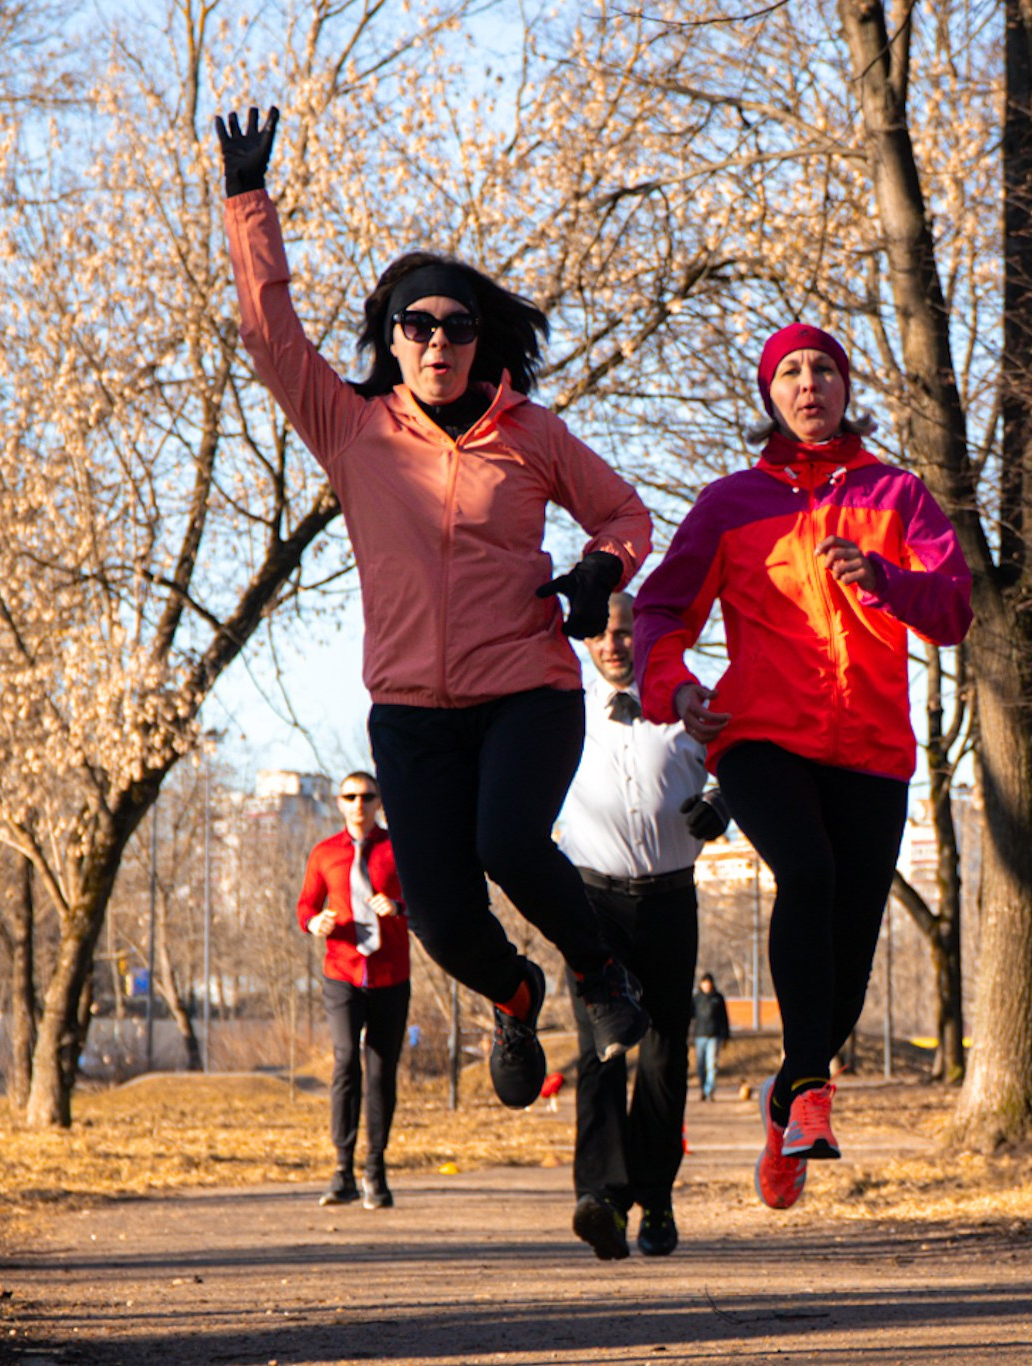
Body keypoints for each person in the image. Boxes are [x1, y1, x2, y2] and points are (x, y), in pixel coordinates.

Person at [215, 107, 654, 1140]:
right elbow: (267, 333)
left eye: (458, 326)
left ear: (481, 338)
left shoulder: (533, 436)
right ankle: (512, 999)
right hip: (410, 710)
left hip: (526, 690)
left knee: (509, 839)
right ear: (393, 339)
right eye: (417, 326)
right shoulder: (353, 431)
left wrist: (601, 568)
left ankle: (597, 968)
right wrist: (247, 201)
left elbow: (625, 515)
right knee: (448, 916)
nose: (438, 343)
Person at [632, 324, 972, 1211]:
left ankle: (790, 1094)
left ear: (846, 385)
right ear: (769, 394)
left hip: (872, 746)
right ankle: (811, 1093)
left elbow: (955, 609)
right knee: (808, 873)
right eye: (789, 370)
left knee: (848, 962)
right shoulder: (730, 504)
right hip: (761, 734)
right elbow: (663, 613)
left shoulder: (898, 494)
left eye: (824, 367)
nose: (808, 381)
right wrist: (674, 687)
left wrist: (886, 581)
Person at [556, 592, 731, 1259]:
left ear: (643, 634)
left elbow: (741, 759)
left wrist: (723, 802)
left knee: (663, 1050)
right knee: (602, 1046)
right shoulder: (562, 718)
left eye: (624, 631)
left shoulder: (686, 706)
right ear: (585, 643)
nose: (613, 644)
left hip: (669, 900)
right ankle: (600, 1198)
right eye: (600, 635)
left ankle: (654, 1195)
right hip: (592, 903)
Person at [297, 772, 410, 1210]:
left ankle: (375, 1172)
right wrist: (315, 922)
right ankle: (341, 1171)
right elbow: (306, 905)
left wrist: (398, 907)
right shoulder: (325, 853)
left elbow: (424, 901)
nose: (359, 803)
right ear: (339, 803)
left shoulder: (398, 847)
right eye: (350, 796)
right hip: (342, 972)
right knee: (346, 1061)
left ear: (379, 800)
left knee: (382, 1072)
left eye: (367, 795)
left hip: (390, 974)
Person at [691, 973, 730, 1102]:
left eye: (709, 982)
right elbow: (691, 1016)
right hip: (700, 1035)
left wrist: (725, 1036)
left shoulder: (718, 998)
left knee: (711, 1064)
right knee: (700, 1065)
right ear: (701, 983)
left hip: (714, 1035)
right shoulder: (696, 998)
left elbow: (724, 1018)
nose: (707, 985)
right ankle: (703, 1088)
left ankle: (709, 1091)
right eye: (705, 982)